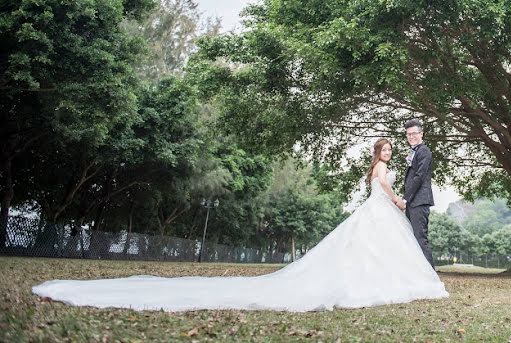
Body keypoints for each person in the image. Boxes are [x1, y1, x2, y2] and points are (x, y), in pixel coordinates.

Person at [32, 138, 448, 312]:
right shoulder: (379, 170)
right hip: (380, 212)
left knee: (376, 251)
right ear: (380, 152)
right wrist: (397, 199)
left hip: (383, 212)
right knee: (371, 248)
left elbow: (387, 194)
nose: (392, 152)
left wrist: (397, 199)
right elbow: (382, 194)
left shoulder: (383, 167)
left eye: (393, 148)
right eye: (388, 148)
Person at [400, 118, 435, 267]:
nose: (411, 136)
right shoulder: (415, 151)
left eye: (414, 133)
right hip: (413, 201)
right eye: (408, 134)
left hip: (419, 201)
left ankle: (431, 278)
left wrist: (405, 199)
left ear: (422, 134)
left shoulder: (424, 151)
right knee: (412, 239)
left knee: (420, 239)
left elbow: (419, 177)